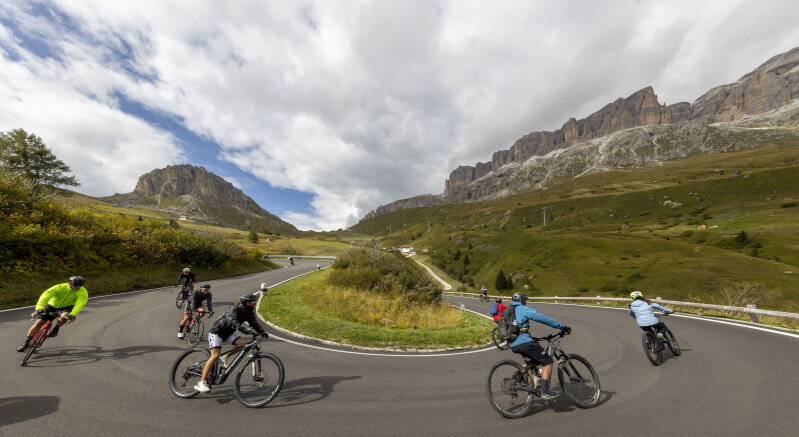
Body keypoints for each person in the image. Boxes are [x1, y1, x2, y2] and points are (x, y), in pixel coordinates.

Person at [194, 293, 268, 393]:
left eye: (255, 303)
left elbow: (255, 324)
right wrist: (239, 327)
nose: (254, 305)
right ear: (245, 303)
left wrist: (262, 332)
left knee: (245, 344)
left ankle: (224, 357)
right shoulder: (234, 309)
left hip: (228, 334)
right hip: (217, 333)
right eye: (252, 303)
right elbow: (231, 319)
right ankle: (201, 382)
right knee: (215, 355)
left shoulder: (249, 312)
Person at [507, 292, 571, 400]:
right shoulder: (522, 308)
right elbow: (542, 318)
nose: (526, 302)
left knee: (536, 360)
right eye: (525, 300)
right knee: (547, 361)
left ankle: (518, 377)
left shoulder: (509, 311)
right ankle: (545, 391)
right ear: (522, 300)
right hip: (524, 342)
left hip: (513, 343)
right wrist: (561, 327)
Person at [17, 276, 89, 352]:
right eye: (76, 285)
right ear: (69, 283)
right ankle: (26, 343)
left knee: (64, 316)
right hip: (52, 305)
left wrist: (73, 314)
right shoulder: (60, 287)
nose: (78, 287)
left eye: (80, 286)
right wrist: (39, 308)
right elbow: (45, 296)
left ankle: (57, 327)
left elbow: (80, 304)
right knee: (38, 323)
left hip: (68, 306)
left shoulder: (83, 292)